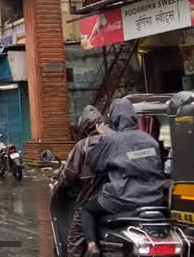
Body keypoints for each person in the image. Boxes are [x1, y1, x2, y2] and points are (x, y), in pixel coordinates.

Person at [82, 99, 165, 257]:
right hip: (154, 199)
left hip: (124, 199)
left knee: (87, 210)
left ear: (114, 119)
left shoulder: (112, 141)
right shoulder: (150, 140)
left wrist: (104, 137)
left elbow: (93, 162)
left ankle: (92, 246)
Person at [57, 105, 105, 257]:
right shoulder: (114, 141)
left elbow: (69, 175)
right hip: (115, 200)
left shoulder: (83, 146)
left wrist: (59, 180)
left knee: (75, 241)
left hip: (89, 201)